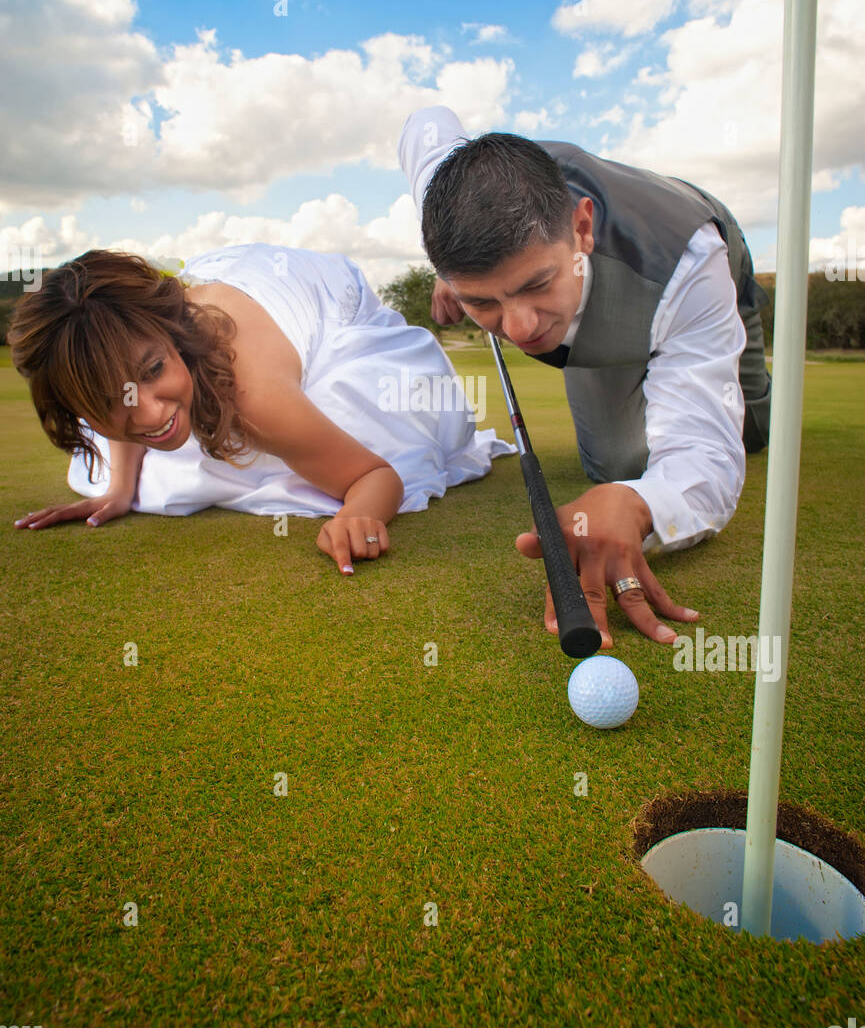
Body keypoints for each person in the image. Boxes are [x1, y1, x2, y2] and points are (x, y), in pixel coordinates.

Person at [399, 105, 772, 649]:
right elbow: (425, 121)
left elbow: (705, 457)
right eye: (483, 300)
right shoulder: (441, 183)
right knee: (617, 467)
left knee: (752, 429)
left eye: (537, 284)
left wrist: (640, 507)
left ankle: (748, 395)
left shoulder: (687, 262)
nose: (520, 328)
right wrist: (450, 278)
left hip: (700, 259)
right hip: (602, 308)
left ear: (581, 228)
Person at [9, 242, 515, 571]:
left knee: (324, 420)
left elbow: (378, 477)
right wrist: (120, 489)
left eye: (153, 371)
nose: (147, 416)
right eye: (106, 401)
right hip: (238, 284)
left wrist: (358, 515)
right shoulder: (132, 353)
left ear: (174, 338)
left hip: (321, 298)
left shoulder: (254, 395)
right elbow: (127, 389)